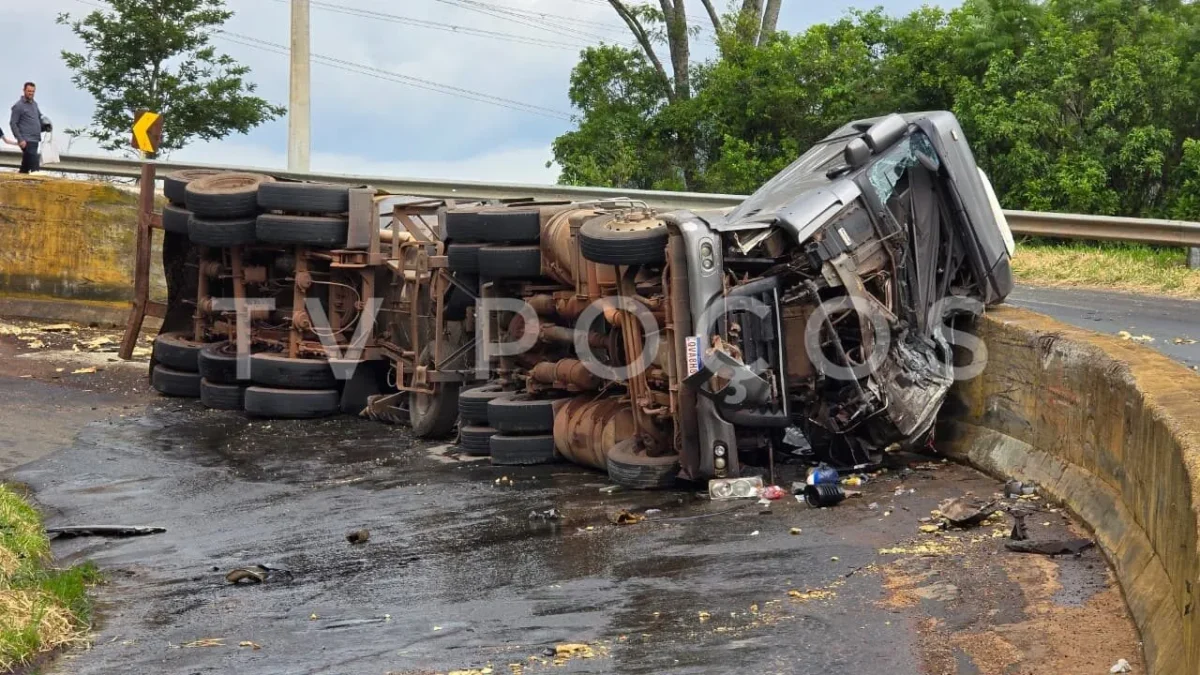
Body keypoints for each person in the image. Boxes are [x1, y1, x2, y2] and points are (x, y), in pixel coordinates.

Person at [10, 82, 43, 174]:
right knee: (34, 163)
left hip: (35, 139)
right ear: (24, 90)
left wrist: (46, 125)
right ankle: (37, 181)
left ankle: (19, 180)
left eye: (33, 91)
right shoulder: (18, 106)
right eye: (29, 91)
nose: (31, 93)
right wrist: (20, 139)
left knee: (26, 165)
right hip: (26, 140)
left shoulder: (35, 104)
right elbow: (13, 123)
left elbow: (39, 118)